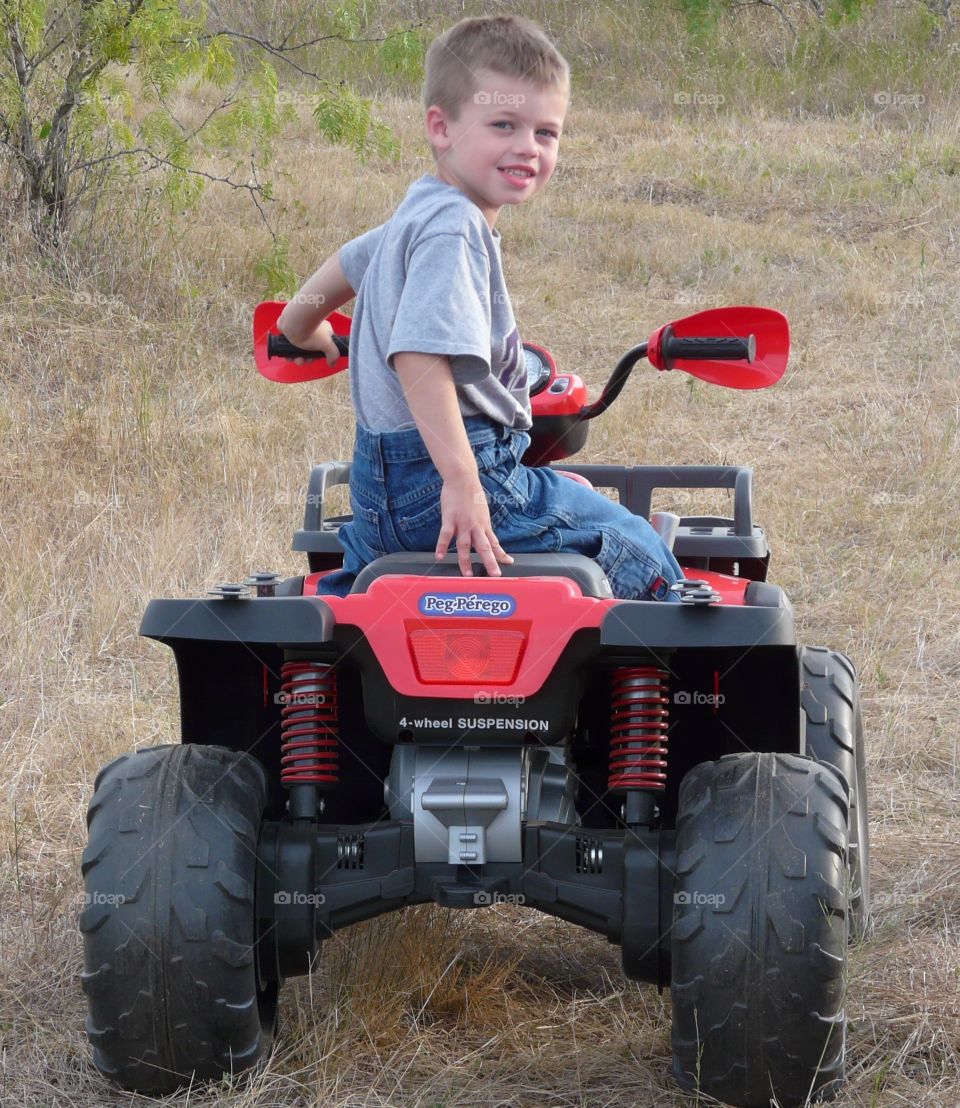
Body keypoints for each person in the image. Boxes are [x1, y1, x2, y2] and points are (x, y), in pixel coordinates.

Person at [276, 14, 682, 601]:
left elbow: (317, 292)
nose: (528, 147)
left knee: (359, 599)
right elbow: (418, 354)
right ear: (441, 128)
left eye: (547, 133)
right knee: (636, 543)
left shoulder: (412, 216)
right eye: (503, 125)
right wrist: (463, 482)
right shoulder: (455, 227)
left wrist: (306, 332)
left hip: (375, 493)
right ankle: (665, 673)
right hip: (459, 475)